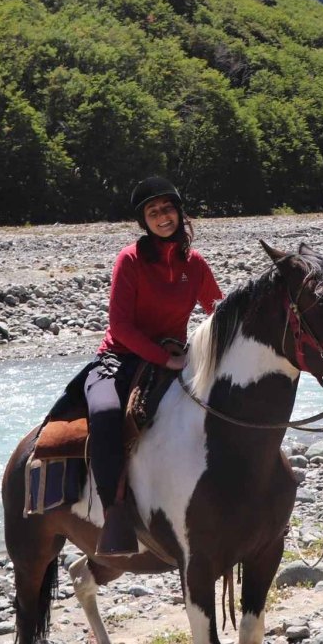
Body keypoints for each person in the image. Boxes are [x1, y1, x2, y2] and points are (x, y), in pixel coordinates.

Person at [85, 175, 223, 557]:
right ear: (143, 222)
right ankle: (114, 513)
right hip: (121, 358)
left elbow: (218, 312)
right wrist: (164, 357)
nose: (163, 217)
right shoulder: (129, 260)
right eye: (153, 211)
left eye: (168, 208)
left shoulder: (194, 264)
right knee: (105, 411)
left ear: (179, 213)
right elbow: (120, 327)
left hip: (176, 356)